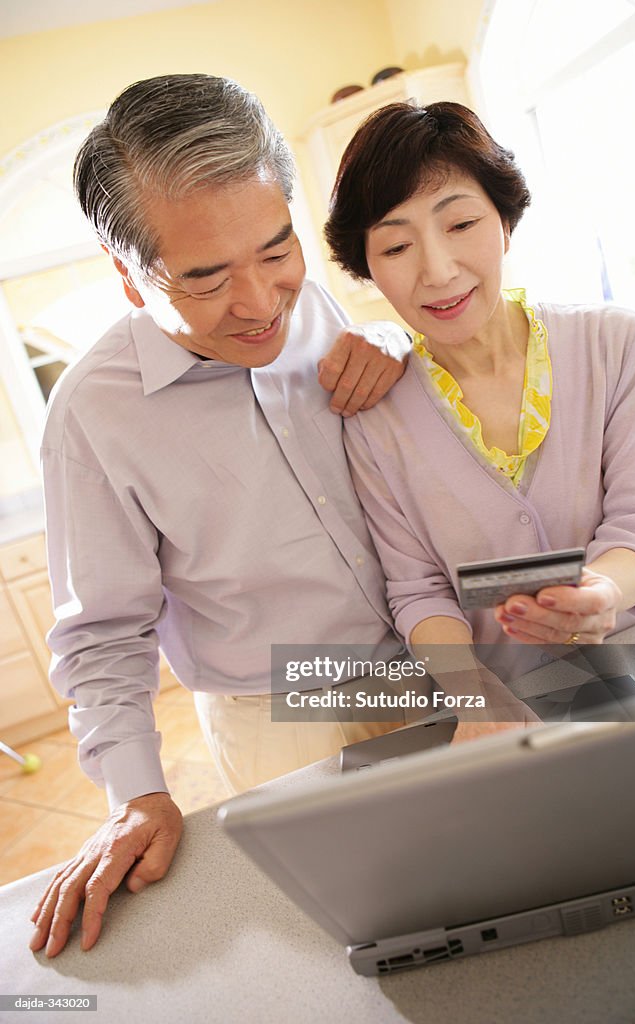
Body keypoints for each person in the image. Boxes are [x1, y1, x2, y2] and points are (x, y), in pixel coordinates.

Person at [29, 73, 414, 959]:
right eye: (204, 279)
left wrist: (396, 346)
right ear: (128, 278)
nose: (257, 302)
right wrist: (136, 791)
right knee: (346, 939)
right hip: (282, 706)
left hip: (419, 659)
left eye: (275, 250)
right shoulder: (93, 414)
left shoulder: (306, 306)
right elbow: (102, 635)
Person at [324, 101, 635, 682]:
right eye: (395, 247)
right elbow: (420, 590)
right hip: (503, 711)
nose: (438, 271)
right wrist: (474, 695)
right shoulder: (372, 413)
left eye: (461, 224)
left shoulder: (616, 344)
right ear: (367, 268)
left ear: (506, 223)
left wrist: (602, 591)